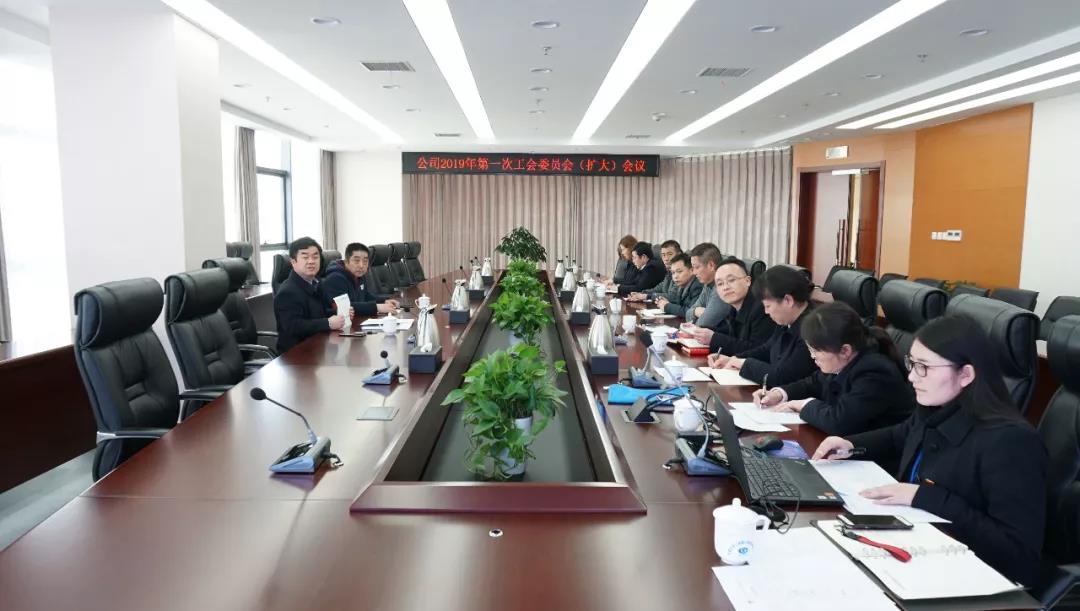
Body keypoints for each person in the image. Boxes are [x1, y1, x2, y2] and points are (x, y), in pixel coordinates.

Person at [812, 315, 1047, 587]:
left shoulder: (1011, 442)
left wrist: (924, 496)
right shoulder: (936, 408)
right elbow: (898, 436)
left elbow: (1019, 555)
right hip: (914, 547)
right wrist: (850, 445)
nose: (911, 376)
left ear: (966, 374)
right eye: (912, 363)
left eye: (924, 367)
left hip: (968, 578)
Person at [753, 301, 914, 436]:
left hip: (875, 458)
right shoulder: (846, 360)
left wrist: (804, 404)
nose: (812, 357)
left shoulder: (875, 373)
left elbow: (839, 422)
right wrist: (779, 394)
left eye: (816, 351)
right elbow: (813, 382)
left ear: (845, 350)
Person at [710, 265, 816, 386]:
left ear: (788, 300)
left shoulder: (813, 330)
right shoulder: (787, 320)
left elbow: (784, 377)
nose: (766, 312)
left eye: (768, 306)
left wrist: (744, 364)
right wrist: (734, 359)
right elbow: (767, 349)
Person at [274, 236, 351, 353]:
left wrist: (339, 314)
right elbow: (293, 326)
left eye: (315, 257)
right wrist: (327, 323)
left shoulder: (317, 282)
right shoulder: (287, 292)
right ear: (293, 262)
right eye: (305, 257)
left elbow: (320, 312)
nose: (311, 261)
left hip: (318, 347)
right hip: (296, 354)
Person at [696, 257, 776, 357]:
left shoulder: (762, 308)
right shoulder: (735, 307)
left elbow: (758, 351)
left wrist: (714, 338)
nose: (725, 287)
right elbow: (728, 332)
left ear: (748, 281)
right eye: (720, 284)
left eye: (731, 280)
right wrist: (697, 332)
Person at [322, 242, 400, 316]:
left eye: (365, 261)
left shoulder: (358, 274)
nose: (361, 265)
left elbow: (365, 296)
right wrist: (376, 307)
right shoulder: (335, 278)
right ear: (346, 261)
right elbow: (344, 307)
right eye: (356, 261)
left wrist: (384, 301)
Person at [684, 243, 731, 328]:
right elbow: (688, 315)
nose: (694, 272)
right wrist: (696, 311)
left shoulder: (722, 288)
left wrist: (697, 314)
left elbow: (702, 324)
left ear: (711, 265)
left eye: (697, 267)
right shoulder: (708, 283)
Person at [652, 253, 701, 317]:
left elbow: (691, 312)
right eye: (673, 273)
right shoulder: (681, 284)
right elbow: (680, 305)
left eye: (679, 271)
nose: (675, 276)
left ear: (692, 270)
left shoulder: (697, 285)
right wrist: (667, 302)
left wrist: (667, 306)